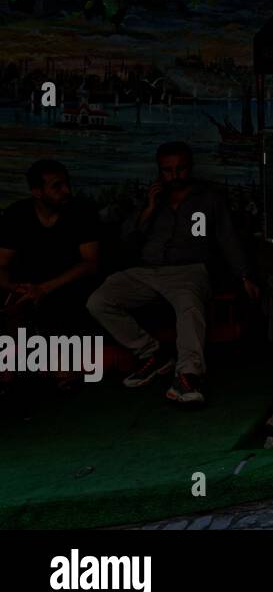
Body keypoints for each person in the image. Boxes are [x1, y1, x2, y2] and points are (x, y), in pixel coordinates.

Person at [87, 142, 259, 406]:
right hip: (146, 270)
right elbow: (127, 239)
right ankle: (151, 354)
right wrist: (149, 207)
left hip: (189, 270)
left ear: (190, 167)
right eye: (167, 170)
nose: (174, 175)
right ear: (159, 171)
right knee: (99, 301)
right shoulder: (150, 198)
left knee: (189, 305)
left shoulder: (208, 198)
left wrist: (245, 276)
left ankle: (188, 374)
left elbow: (227, 238)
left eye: (180, 169)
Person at [0, 161, 101, 386]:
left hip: (67, 285)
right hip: (26, 286)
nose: (67, 191)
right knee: (14, 308)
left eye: (67, 184)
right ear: (37, 191)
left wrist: (44, 289)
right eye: (57, 186)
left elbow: (90, 263)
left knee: (64, 371)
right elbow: (2, 263)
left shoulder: (81, 211)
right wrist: (11, 286)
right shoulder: (18, 213)